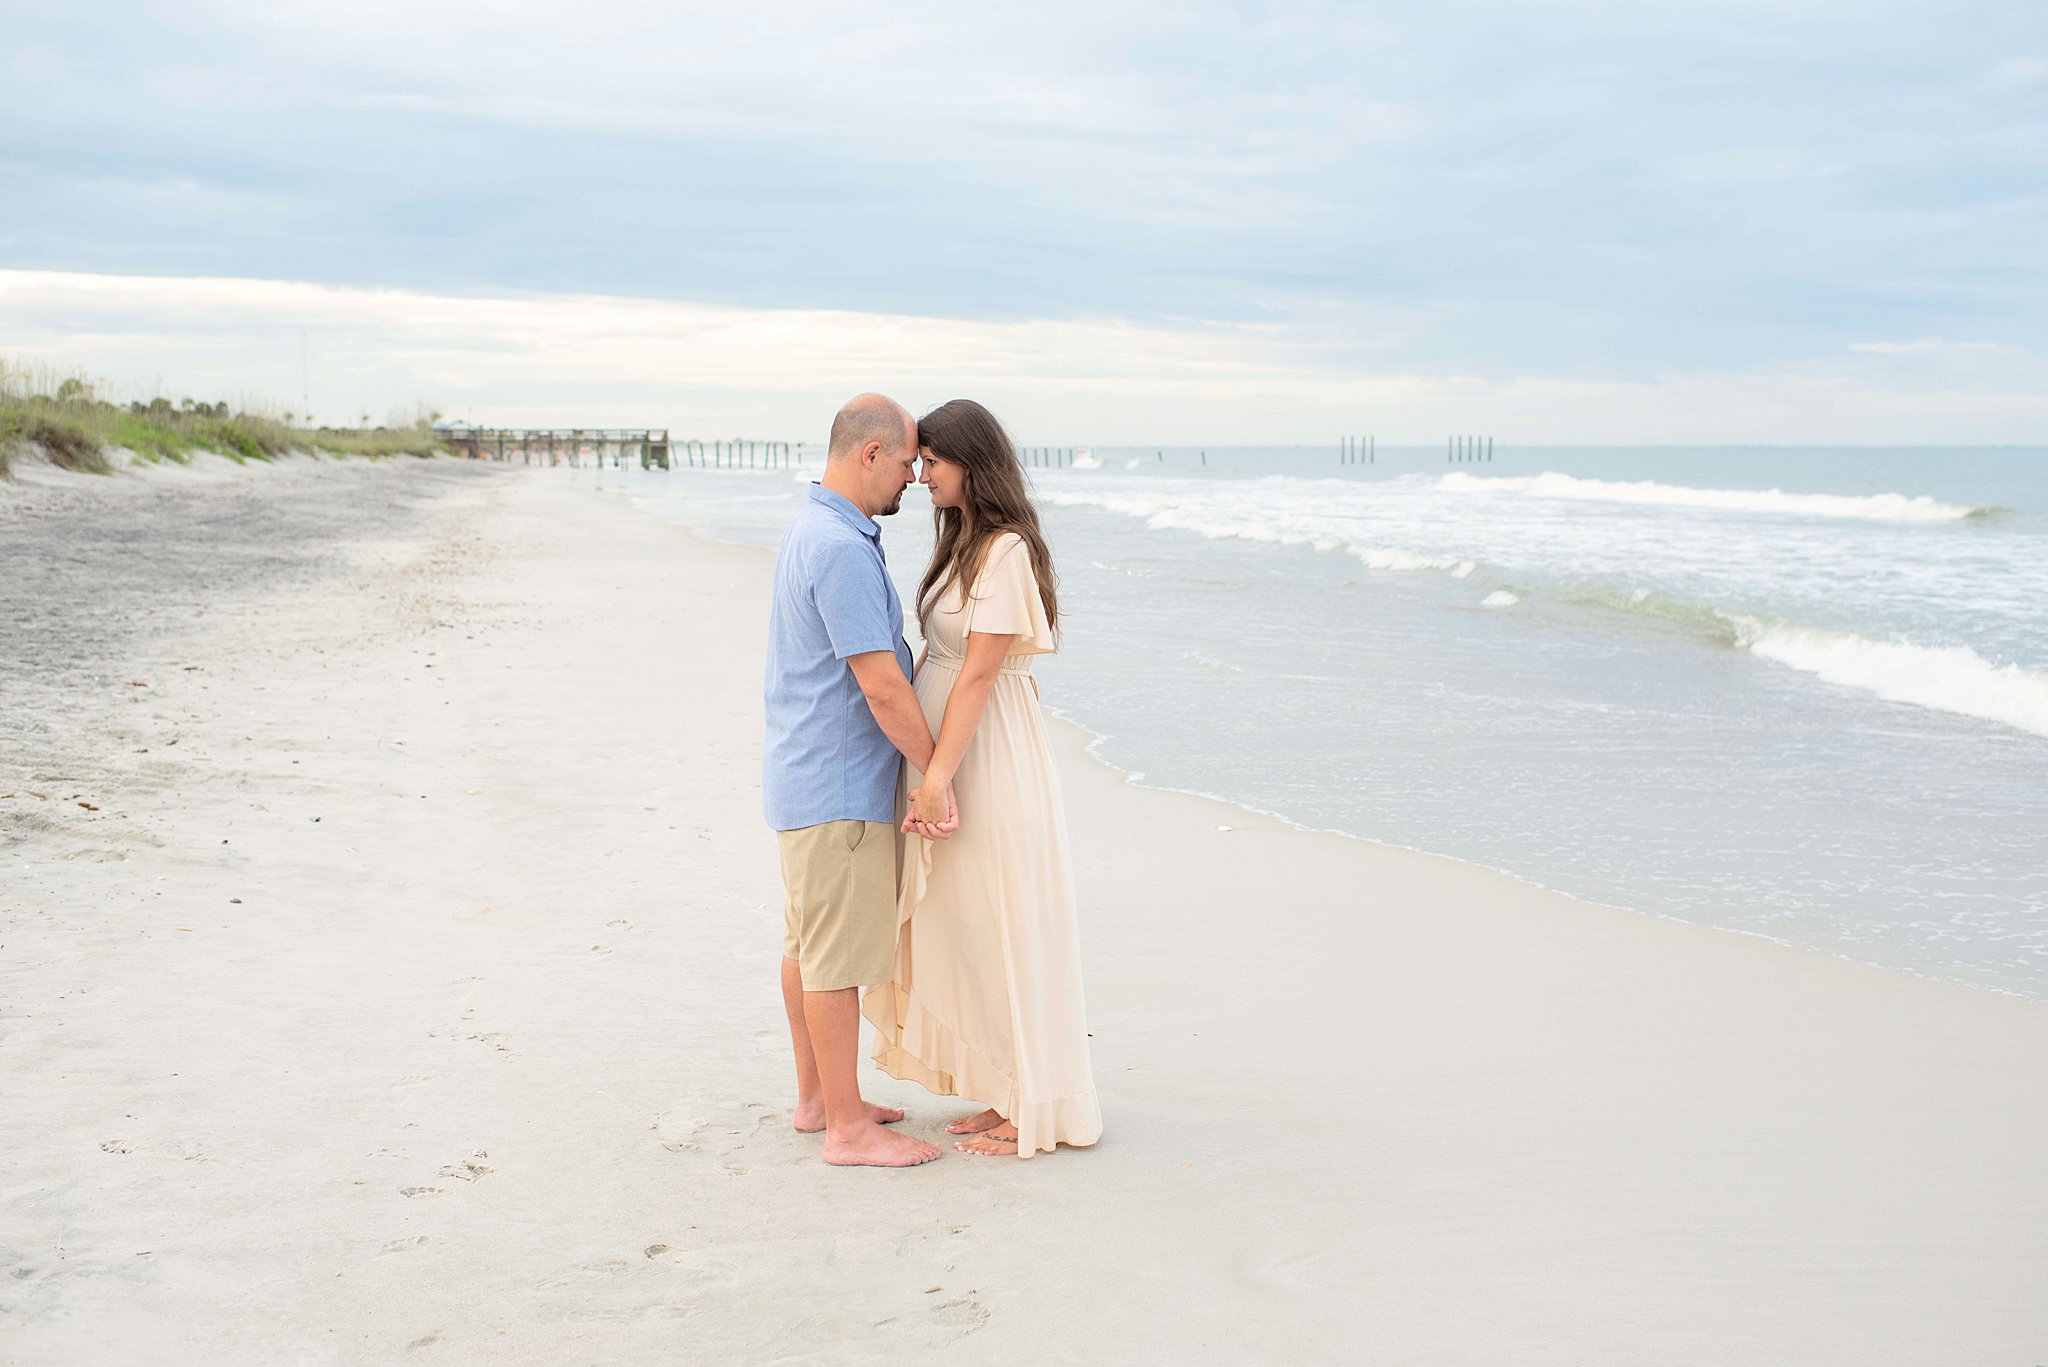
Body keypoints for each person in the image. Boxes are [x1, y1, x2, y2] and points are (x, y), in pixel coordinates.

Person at [862, 399, 1102, 1158]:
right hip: (947, 749)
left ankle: (1030, 1100)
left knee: (1000, 914)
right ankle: (1002, 1084)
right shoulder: (964, 542)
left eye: (933, 461)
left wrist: (937, 776)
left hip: (984, 752)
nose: (920, 473)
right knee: (962, 919)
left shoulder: (1005, 552)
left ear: (973, 462)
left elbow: (978, 676)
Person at [763, 392, 955, 1168]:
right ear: (869, 453)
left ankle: (819, 1099)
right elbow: (879, 683)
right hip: (839, 785)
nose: (914, 476)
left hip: (806, 777)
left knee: (808, 948)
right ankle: (846, 1128)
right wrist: (935, 771)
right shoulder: (839, 546)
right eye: (909, 461)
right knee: (834, 962)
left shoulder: (818, 528)